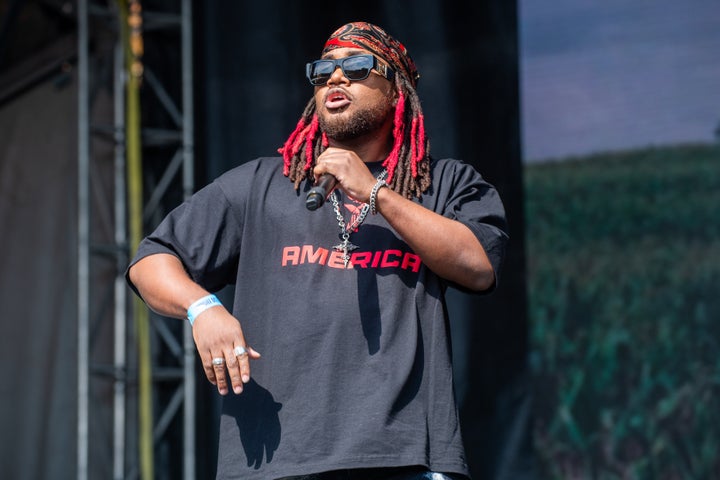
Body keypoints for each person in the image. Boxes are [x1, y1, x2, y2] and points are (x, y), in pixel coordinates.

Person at [127, 21, 508, 480]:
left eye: (357, 66)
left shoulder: (443, 184)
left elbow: (478, 266)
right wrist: (203, 308)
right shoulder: (259, 185)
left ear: (397, 90)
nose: (335, 78)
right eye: (324, 70)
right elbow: (152, 259)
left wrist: (377, 194)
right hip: (273, 463)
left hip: (403, 458)